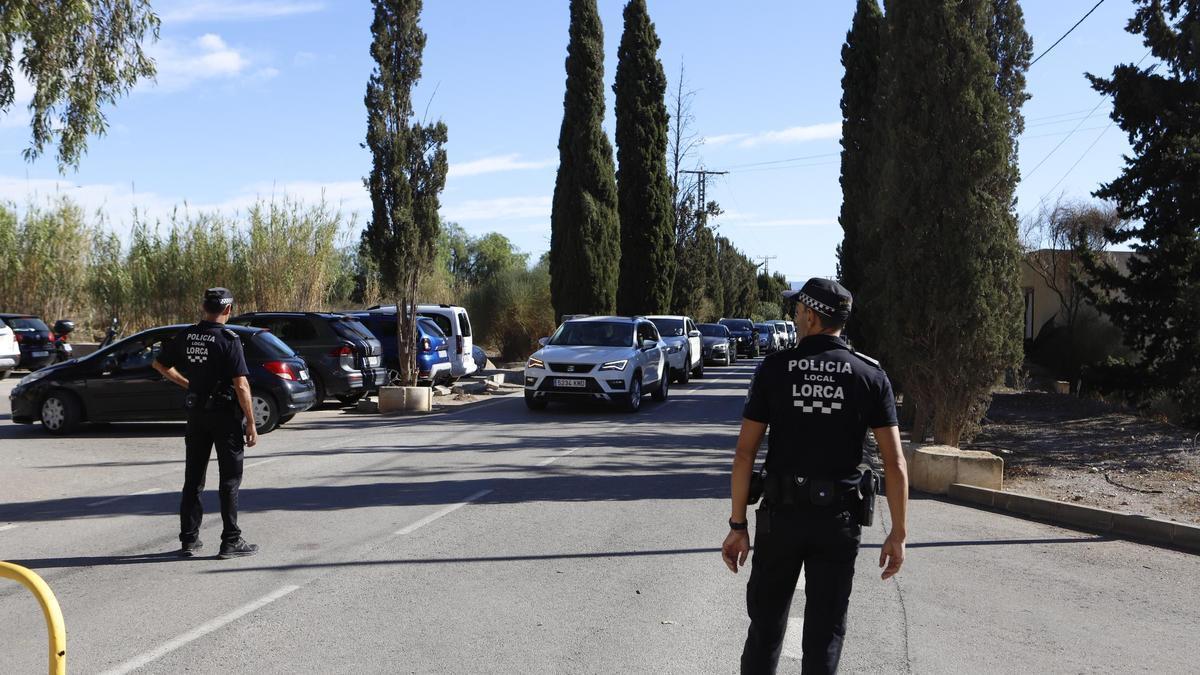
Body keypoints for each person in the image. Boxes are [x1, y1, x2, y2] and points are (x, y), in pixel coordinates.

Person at [721, 278, 909, 674]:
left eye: (796, 309)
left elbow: (744, 453)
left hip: (781, 521)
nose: (794, 315)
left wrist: (738, 524)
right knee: (824, 636)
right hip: (837, 523)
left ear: (810, 314)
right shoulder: (870, 376)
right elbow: (894, 463)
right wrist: (898, 534)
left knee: (766, 630)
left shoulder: (775, 369)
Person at [153, 287, 259, 559]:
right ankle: (230, 541)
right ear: (228, 310)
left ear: (204, 307)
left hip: (197, 415)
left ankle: (189, 539)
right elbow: (242, 384)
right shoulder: (229, 338)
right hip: (225, 417)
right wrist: (250, 421)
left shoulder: (187, 335)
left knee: (193, 479)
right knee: (230, 480)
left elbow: (160, 364)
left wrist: (188, 385)